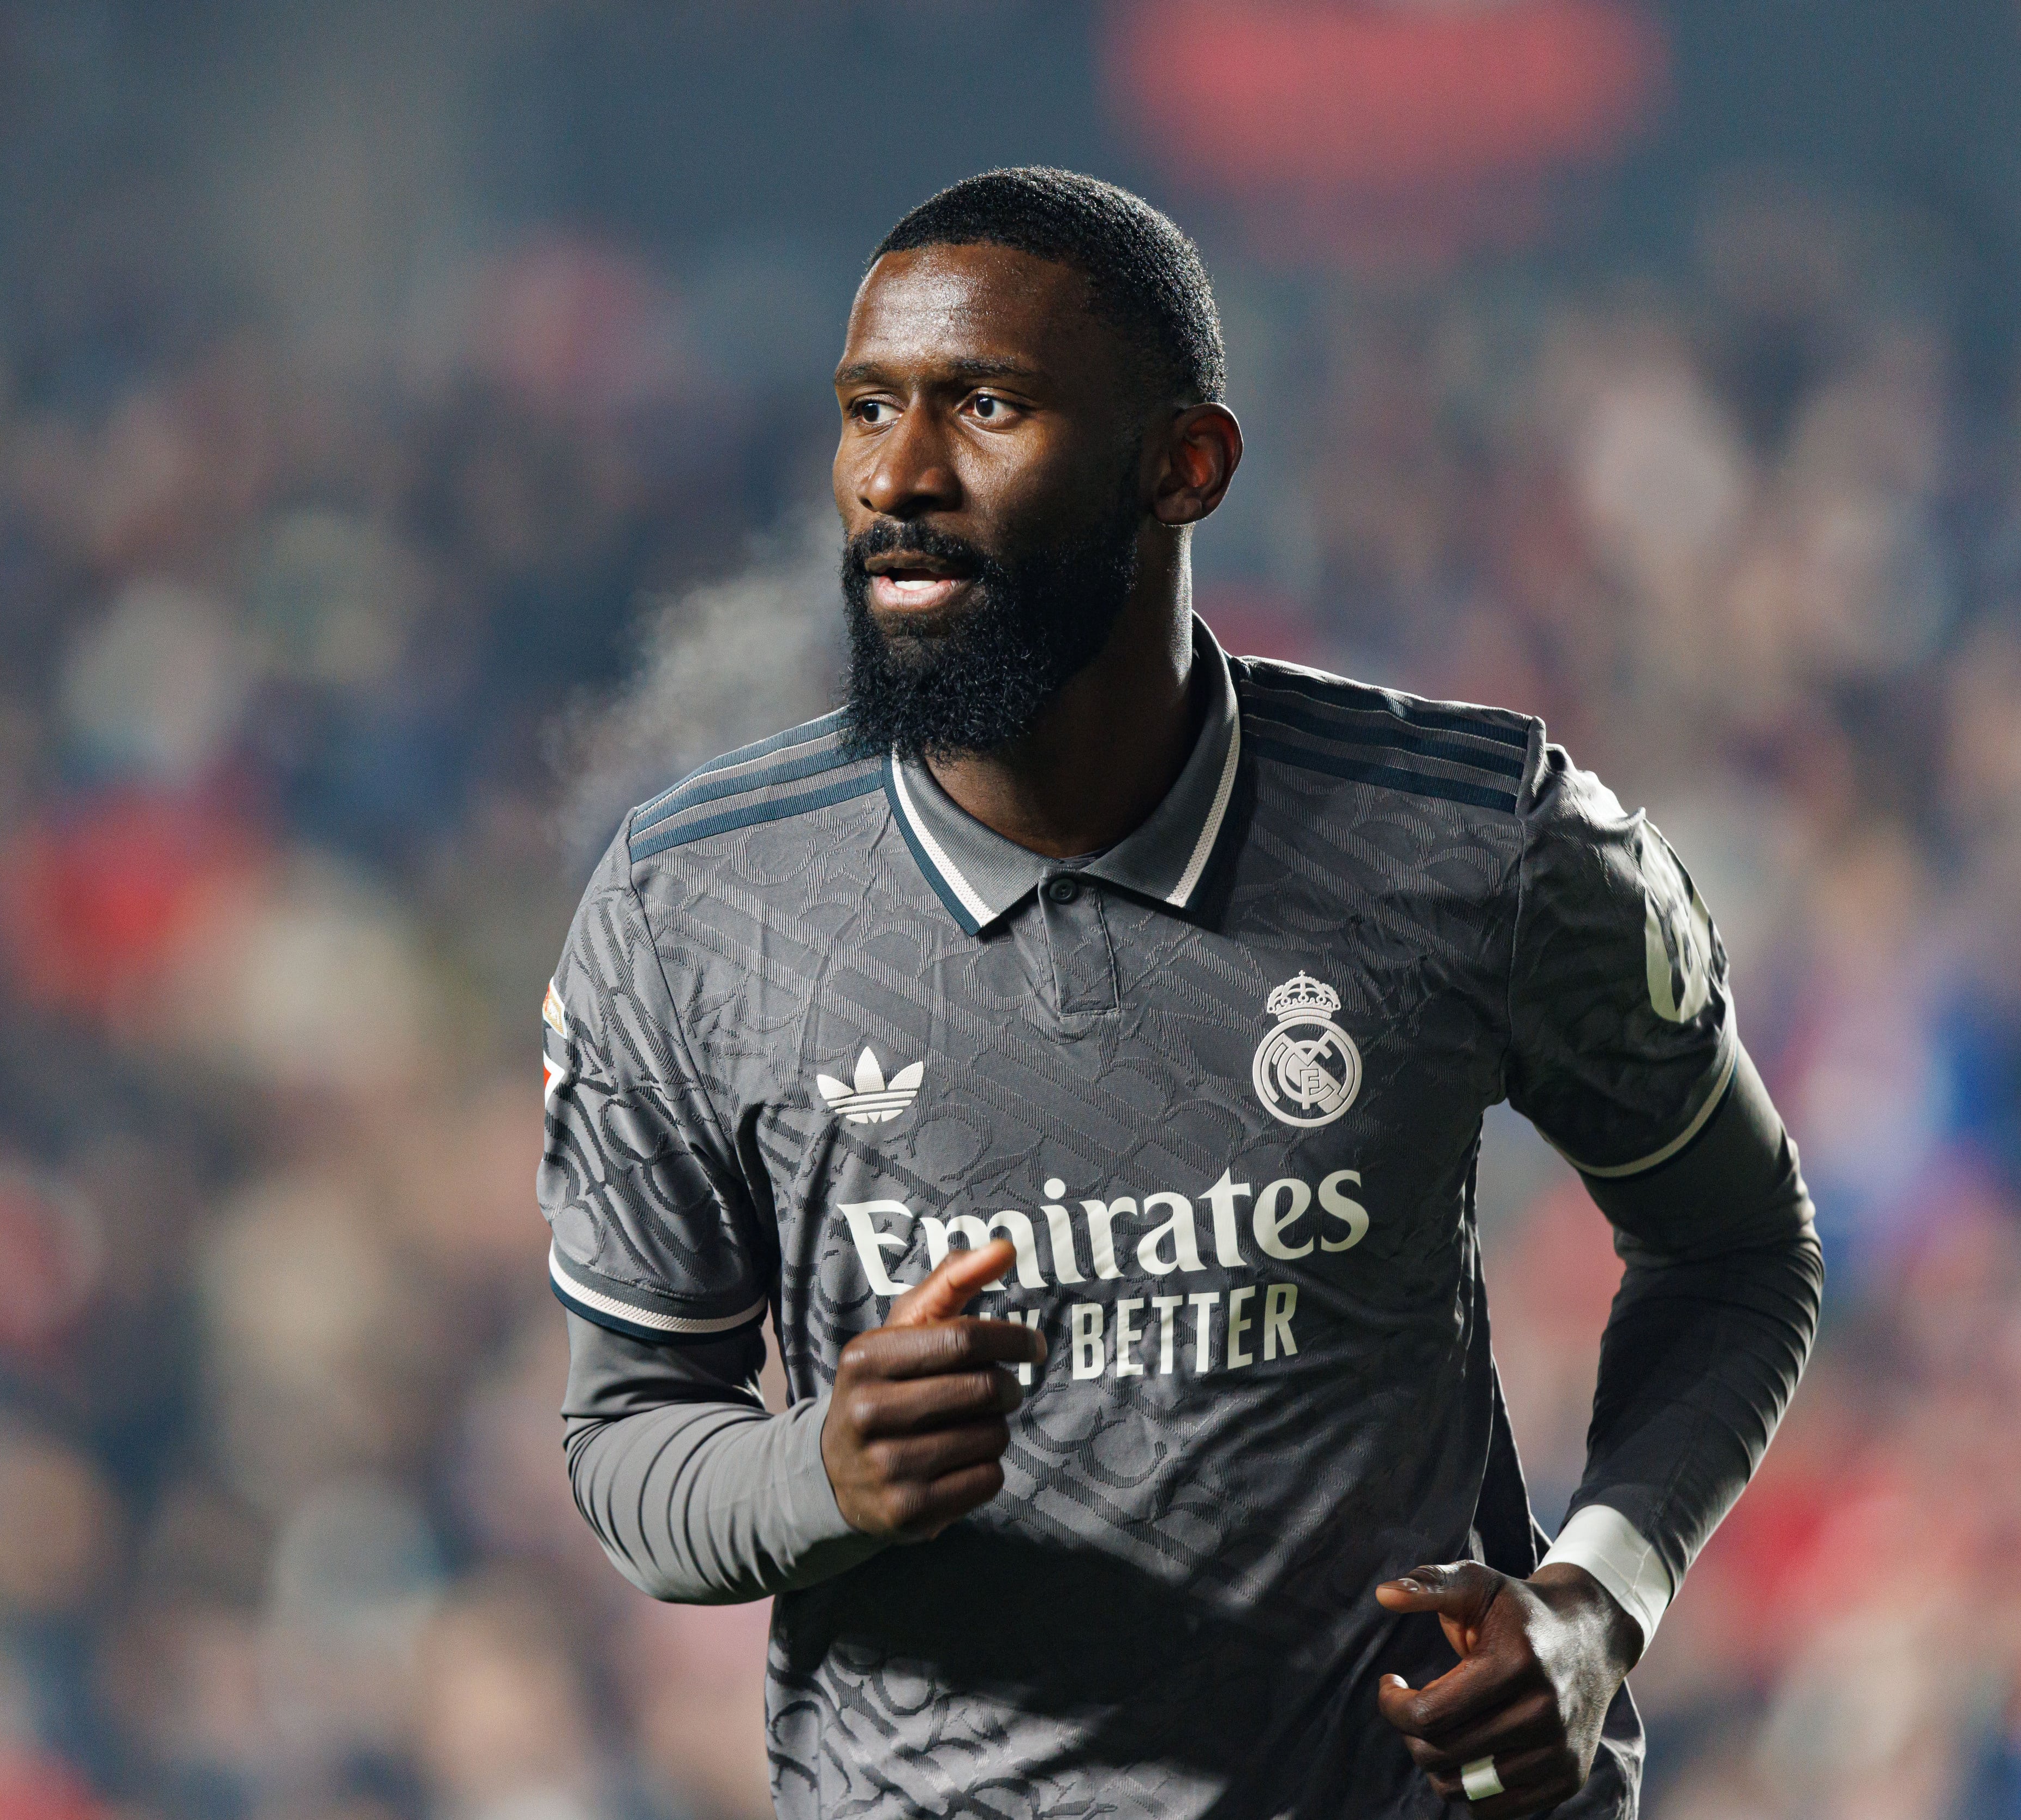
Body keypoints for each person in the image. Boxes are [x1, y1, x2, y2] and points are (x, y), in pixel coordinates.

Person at [540, 168, 1821, 1817]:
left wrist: (1595, 1602)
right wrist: (818, 1473)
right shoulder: (689, 908)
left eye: (985, 405)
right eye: (869, 410)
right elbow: (631, 1440)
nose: (900, 476)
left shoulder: (1478, 839)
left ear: (1185, 465)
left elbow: (1738, 1247)